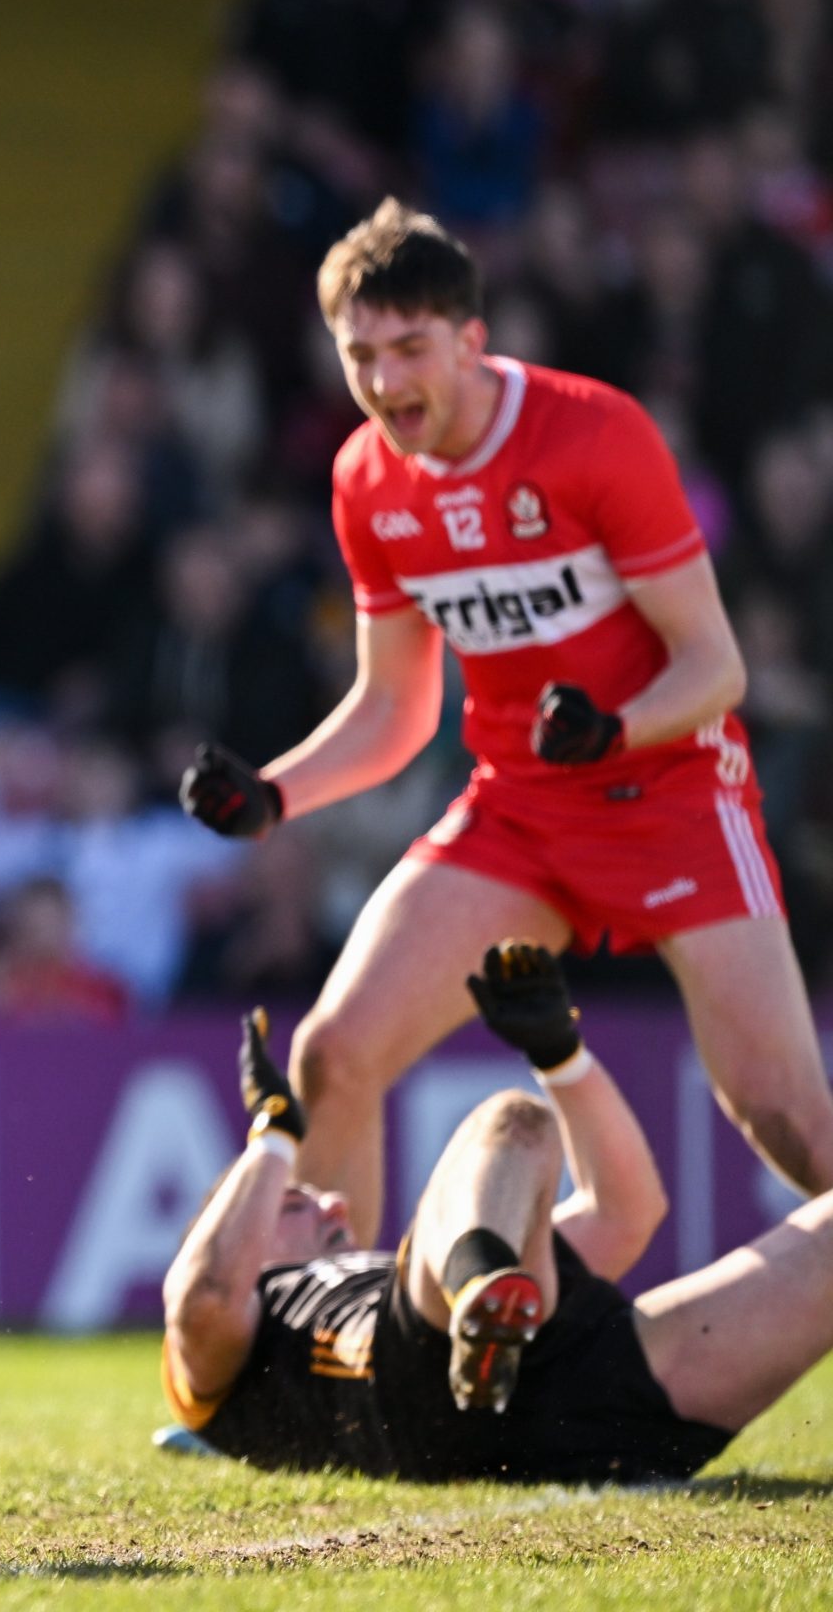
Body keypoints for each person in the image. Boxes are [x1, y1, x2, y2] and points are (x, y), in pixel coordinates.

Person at [180, 198, 833, 1241]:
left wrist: (612, 729)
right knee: (332, 1055)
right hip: (521, 814)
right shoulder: (365, 481)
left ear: (471, 339)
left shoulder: (594, 435)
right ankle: (349, 1333)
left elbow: (715, 669)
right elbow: (394, 707)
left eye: (409, 349)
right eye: (360, 355)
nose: (384, 382)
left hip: (671, 799)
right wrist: (273, 795)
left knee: (792, 1125)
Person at [162, 942, 833, 1484]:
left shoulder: (405, 1268)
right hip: (416, 1379)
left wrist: (562, 1058)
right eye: (293, 1203)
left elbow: (626, 1212)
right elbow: (206, 1293)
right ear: (240, 1233)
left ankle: (486, 1315)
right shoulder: (237, 1342)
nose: (334, 1201)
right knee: (512, 1119)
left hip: (595, 1410)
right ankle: (480, 1308)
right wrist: (272, 1139)